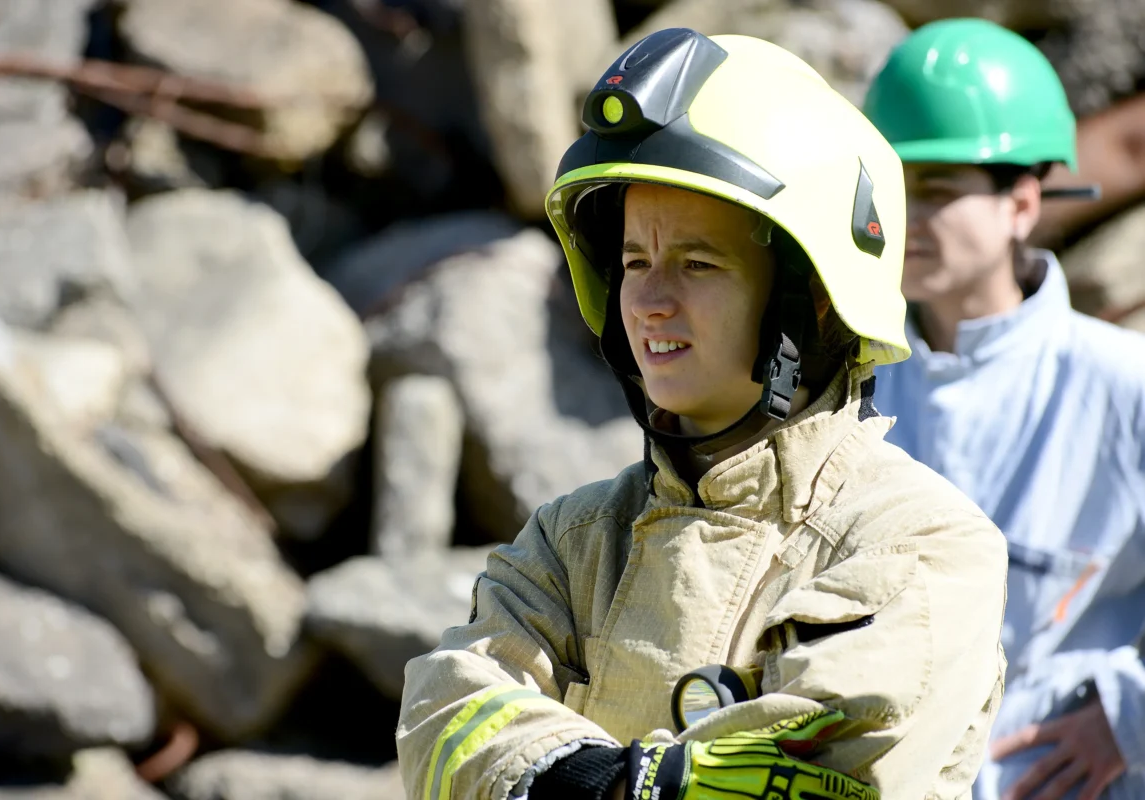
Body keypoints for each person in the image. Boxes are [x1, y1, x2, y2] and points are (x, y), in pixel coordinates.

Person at [398, 28, 1008, 800]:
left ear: (812, 300)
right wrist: (596, 780)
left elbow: (804, 776)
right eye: (634, 262)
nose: (650, 302)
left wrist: (578, 776)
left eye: (697, 263)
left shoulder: (920, 543)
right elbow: (445, 709)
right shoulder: (574, 538)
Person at [862, 18, 1145, 800]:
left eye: (937, 191)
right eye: (892, 189)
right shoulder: (851, 386)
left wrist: (1128, 716)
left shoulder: (1123, 385)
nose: (905, 219)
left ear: (1021, 202)